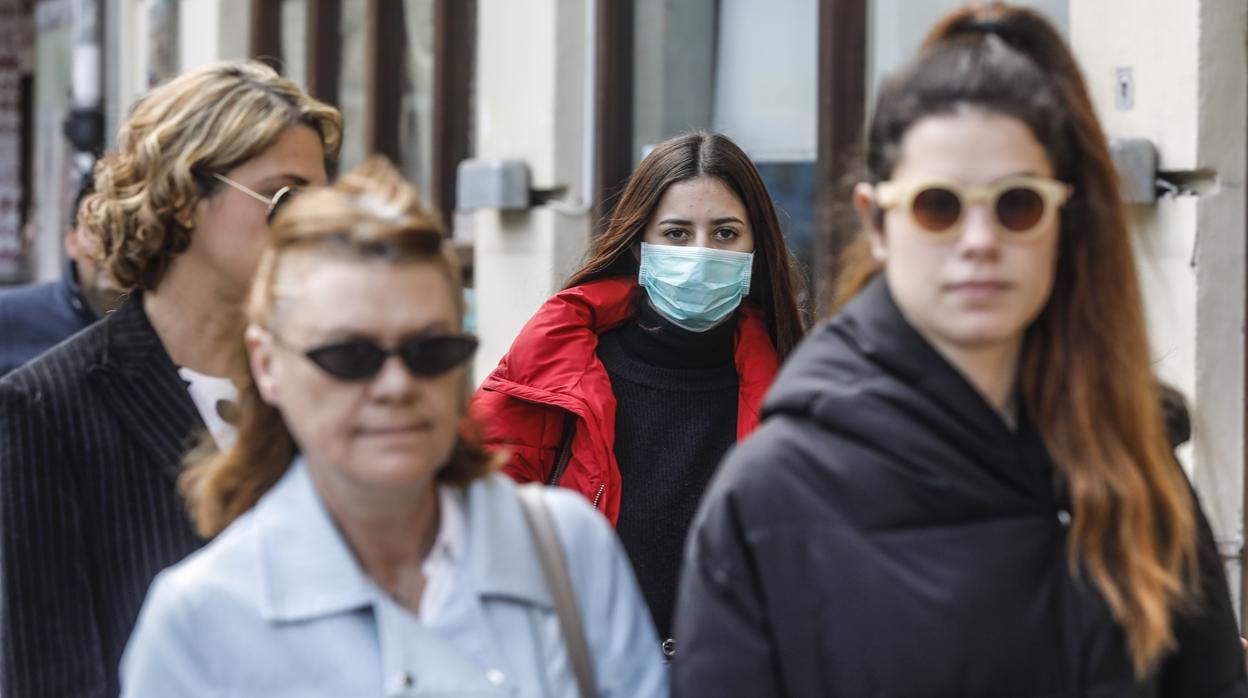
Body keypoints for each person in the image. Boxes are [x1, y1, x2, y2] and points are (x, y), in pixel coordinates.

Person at [672, 4, 1248, 697]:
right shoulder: (771, 497)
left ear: (1061, 223)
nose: (980, 240)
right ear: (877, 221)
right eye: (939, 205)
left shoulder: (1130, 467)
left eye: (1017, 205)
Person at [119, 157, 667, 697]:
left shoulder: (567, 551)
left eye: (430, 350)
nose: (396, 385)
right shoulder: (202, 618)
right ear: (266, 364)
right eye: (350, 355)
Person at [0, 61, 341, 697]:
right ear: (185, 197)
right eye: (288, 198)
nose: (313, 227)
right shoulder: (45, 405)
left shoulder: (329, 384)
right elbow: (47, 674)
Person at [473, 131, 805, 651]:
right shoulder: (553, 376)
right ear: (638, 244)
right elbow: (472, 532)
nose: (701, 253)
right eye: (676, 233)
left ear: (755, 247)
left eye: (724, 234)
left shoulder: (798, 389)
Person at [0, 174, 125, 375]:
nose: (113, 247)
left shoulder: (167, 330)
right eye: (98, 231)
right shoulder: (8, 317)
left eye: (127, 231)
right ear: (71, 242)